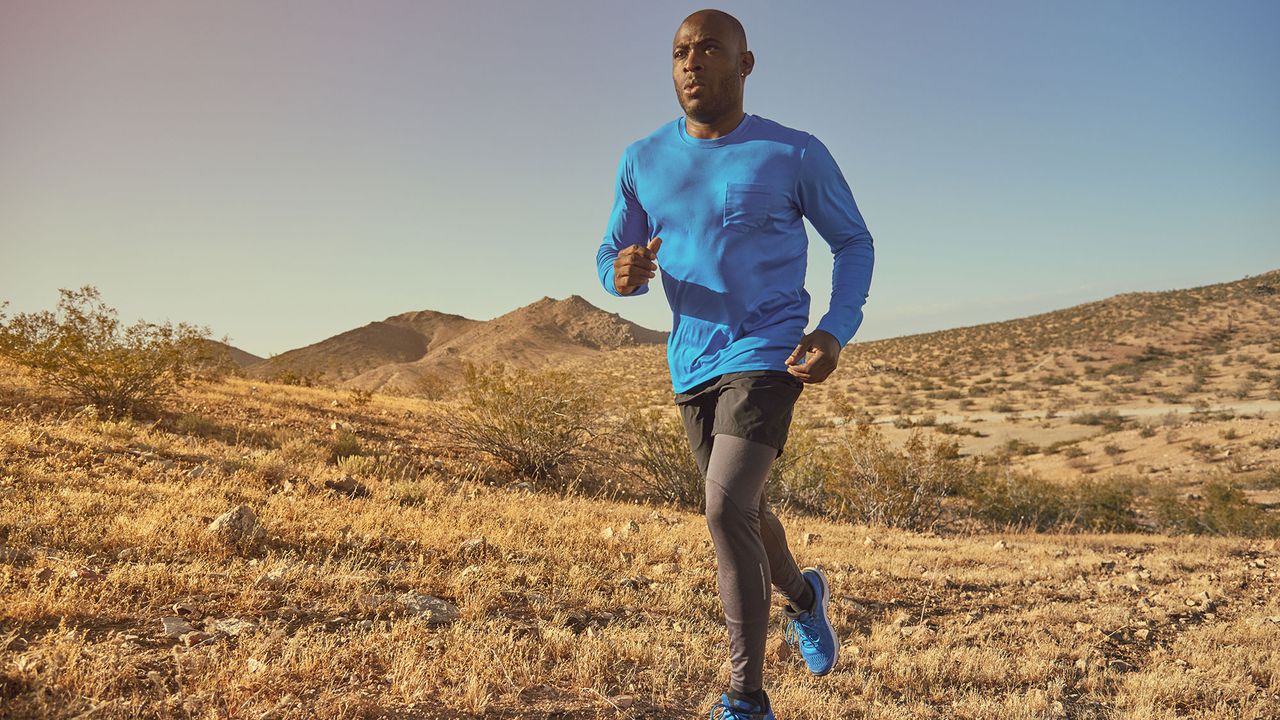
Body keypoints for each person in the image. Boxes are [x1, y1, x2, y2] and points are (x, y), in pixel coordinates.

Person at [594, 8, 875, 719]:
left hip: (768, 351)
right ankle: (806, 598)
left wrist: (834, 331)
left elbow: (854, 242)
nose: (691, 62)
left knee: (722, 508)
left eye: (710, 49)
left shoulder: (793, 152)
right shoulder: (641, 159)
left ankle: (745, 700)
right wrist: (620, 273)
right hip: (691, 361)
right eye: (680, 51)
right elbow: (610, 256)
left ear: (745, 65)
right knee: (744, 510)